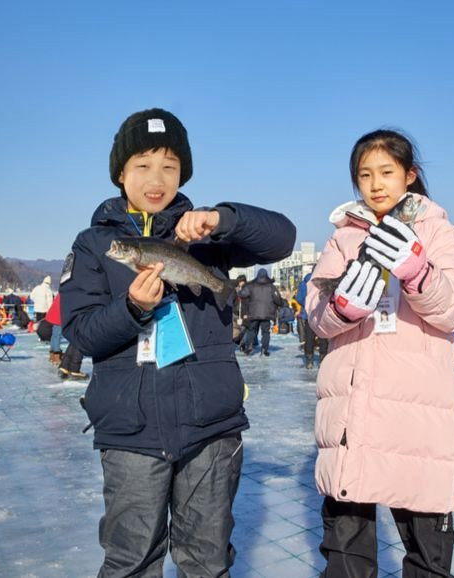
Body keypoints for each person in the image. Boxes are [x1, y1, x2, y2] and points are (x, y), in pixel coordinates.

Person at [59, 107, 296, 577]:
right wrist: (130, 308)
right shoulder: (94, 244)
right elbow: (81, 332)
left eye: (169, 166)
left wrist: (223, 219)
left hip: (210, 427)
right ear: (120, 173)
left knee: (206, 561)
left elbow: (282, 239)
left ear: (183, 172)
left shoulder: (205, 235)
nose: (156, 178)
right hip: (130, 430)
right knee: (131, 562)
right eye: (142, 165)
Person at [305, 129, 454, 577]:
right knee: (345, 550)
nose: (376, 184)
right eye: (365, 175)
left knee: (427, 551)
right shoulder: (343, 240)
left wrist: (419, 273)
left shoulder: (440, 234)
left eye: (387, 172)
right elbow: (316, 317)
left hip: (416, 414)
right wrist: (341, 308)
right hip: (352, 413)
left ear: (410, 176)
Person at [239, 268, 282, 356]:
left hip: (254, 312)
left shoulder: (251, 286)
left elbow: (242, 294)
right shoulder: (271, 287)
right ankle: (264, 349)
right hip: (267, 313)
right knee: (265, 332)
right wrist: (280, 303)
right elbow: (277, 299)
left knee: (251, 330)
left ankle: (248, 347)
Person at [44, 293, 88, 378]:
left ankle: (58, 360)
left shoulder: (65, 290)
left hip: (57, 314)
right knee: (75, 337)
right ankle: (58, 357)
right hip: (61, 315)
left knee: (55, 335)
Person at [295, 272, 328, 369]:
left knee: (309, 337)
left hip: (308, 314)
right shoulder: (324, 282)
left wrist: (306, 304)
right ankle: (323, 358)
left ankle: (309, 360)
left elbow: (299, 298)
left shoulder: (304, 283)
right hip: (321, 313)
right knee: (323, 336)